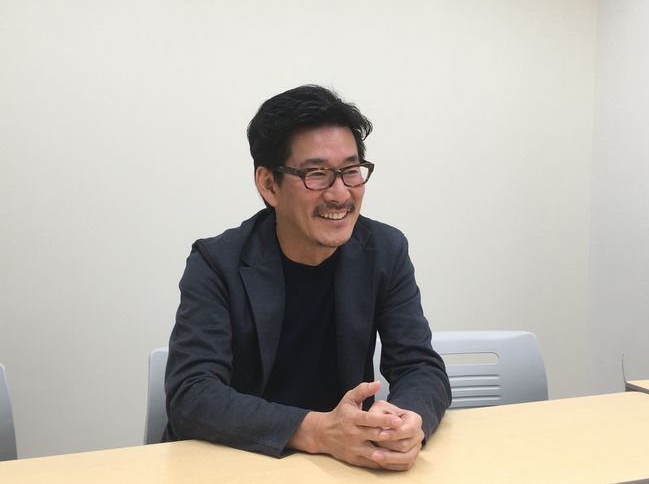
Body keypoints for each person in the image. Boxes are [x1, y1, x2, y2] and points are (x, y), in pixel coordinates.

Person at [164, 85, 451, 471]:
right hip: (238, 462)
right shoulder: (216, 263)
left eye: (350, 171)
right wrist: (316, 431)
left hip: (342, 467)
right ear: (269, 185)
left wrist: (407, 422)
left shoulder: (384, 250)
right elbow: (192, 394)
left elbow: (420, 366)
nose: (340, 194)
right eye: (317, 174)